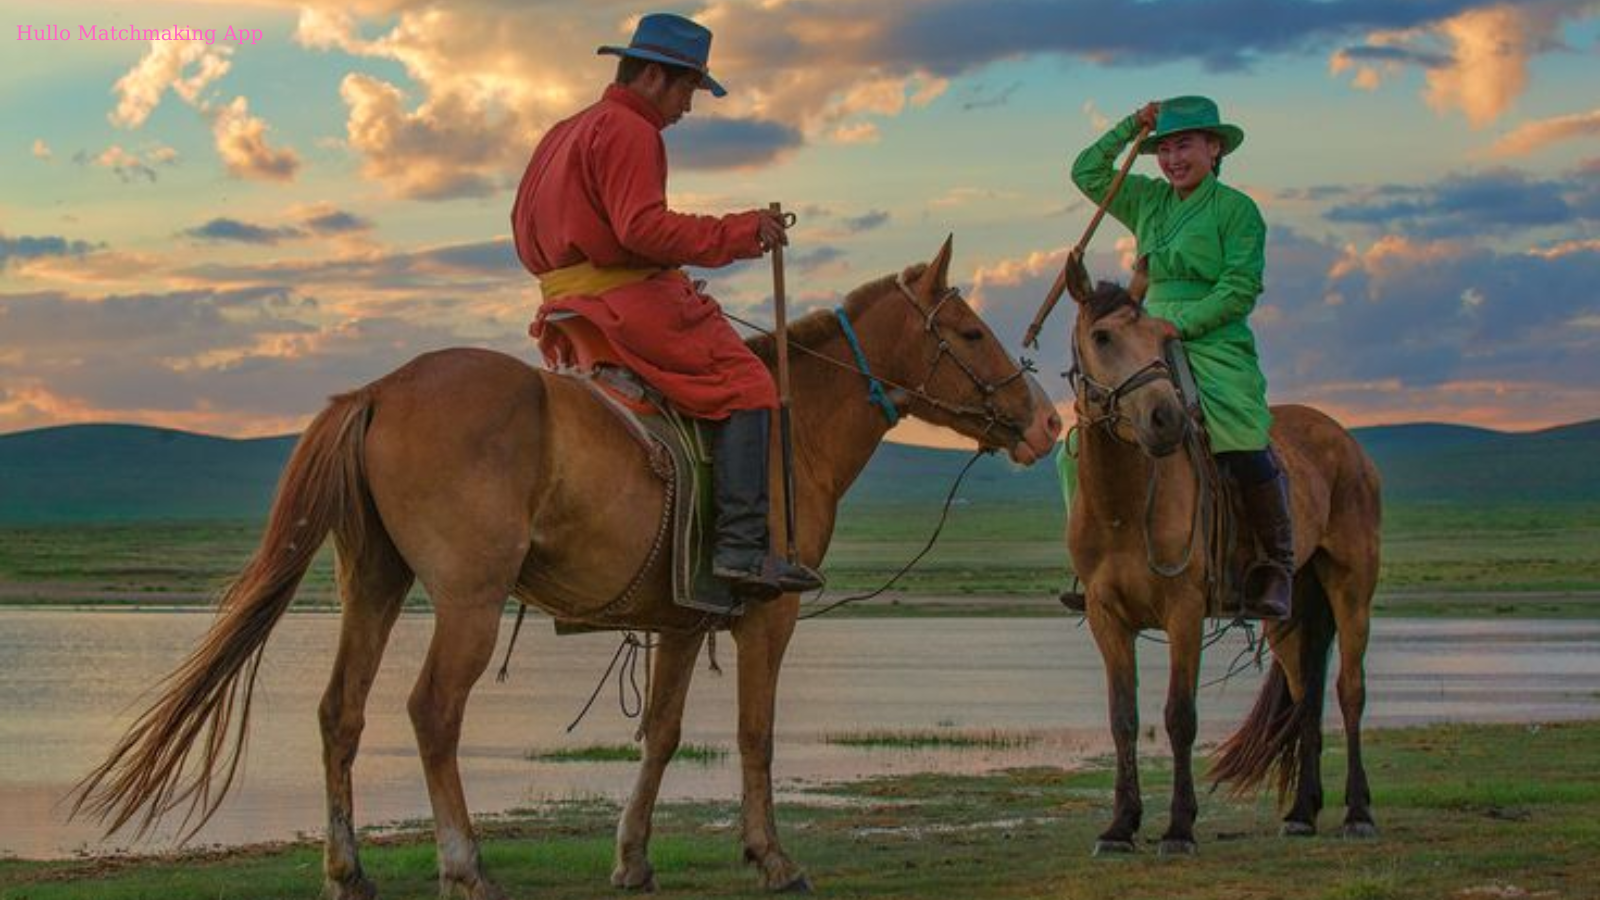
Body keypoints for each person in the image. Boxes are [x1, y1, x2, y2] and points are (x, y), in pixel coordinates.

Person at [510, 12, 823, 601]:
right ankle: (739, 550)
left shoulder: (565, 131)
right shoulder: (632, 129)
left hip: (566, 307)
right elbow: (642, 229)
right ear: (654, 76)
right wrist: (740, 231)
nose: (687, 107)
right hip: (623, 304)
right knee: (748, 382)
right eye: (688, 89)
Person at [1057, 96, 1292, 620]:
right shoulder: (1146, 199)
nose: (1172, 159)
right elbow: (1086, 172)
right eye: (1163, 149)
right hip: (1143, 338)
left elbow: (1239, 288)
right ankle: (1096, 560)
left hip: (1214, 340)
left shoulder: (1237, 210)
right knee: (1077, 446)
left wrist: (1179, 324)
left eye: (1184, 146)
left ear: (1214, 147)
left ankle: (1276, 564)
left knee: (1237, 432)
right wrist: (1130, 127)